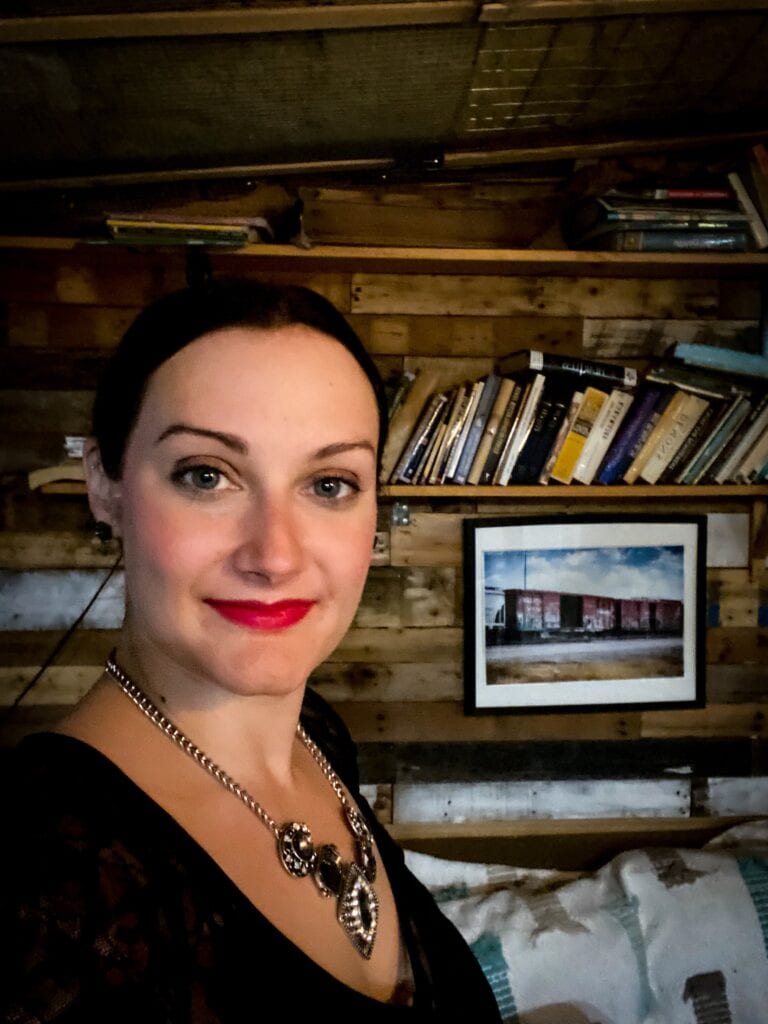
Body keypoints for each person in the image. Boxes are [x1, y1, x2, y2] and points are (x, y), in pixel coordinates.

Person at [1, 278, 502, 1021]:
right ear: (104, 485)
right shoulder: (42, 882)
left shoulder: (315, 735)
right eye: (206, 476)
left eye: (329, 484)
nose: (274, 555)